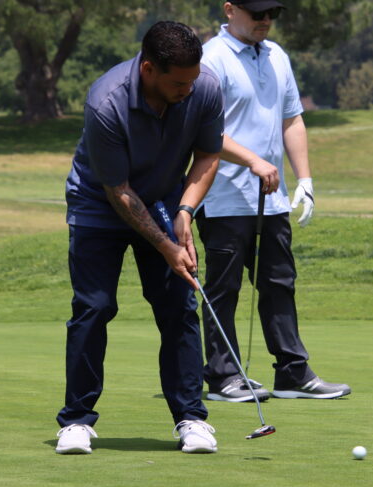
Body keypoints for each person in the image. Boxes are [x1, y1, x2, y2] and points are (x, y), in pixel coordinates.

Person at [55, 21, 224, 454]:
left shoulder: (203, 87)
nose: (188, 89)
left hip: (165, 197)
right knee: (93, 308)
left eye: (192, 79)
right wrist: (167, 246)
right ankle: (76, 421)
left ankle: (192, 418)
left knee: (178, 306)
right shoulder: (106, 101)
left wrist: (186, 212)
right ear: (148, 69)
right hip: (100, 203)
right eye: (177, 82)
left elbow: (208, 155)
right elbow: (120, 192)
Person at [196, 0, 351, 402]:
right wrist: (254, 161)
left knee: (279, 284)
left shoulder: (277, 56)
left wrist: (306, 179)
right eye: (256, 12)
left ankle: (292, 373)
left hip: (272, 197)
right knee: (224, 290)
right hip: (224, 196)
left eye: (271, 14)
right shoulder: (212, 59)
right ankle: (223, 376)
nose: (265, 20)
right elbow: (205, 131)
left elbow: (292, 119)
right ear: (230, 9)